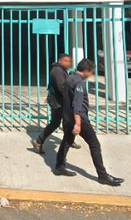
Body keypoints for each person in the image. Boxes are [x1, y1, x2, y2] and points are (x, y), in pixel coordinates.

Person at [54, 58, 124, 187]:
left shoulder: (70, 78)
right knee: (94, 145)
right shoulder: (79, 83)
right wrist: (78, 124)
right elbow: (77, 105)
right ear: (86, 70)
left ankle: (59, 167)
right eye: (91, 72)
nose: (91, 74)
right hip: (78, 119)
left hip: (68, 117)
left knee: (66, 142)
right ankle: (103, 176)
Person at [32, 53, 80, 154]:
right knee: (56, 123)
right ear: (59, 61)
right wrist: (72, 97)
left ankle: (69, 140)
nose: (68, 63)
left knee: (67, 122)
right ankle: (39, 141)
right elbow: (62, 88)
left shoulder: (61, 70)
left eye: (69, 61)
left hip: (61, 101)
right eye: (65, 61)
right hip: (58, 102)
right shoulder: (58, 71)